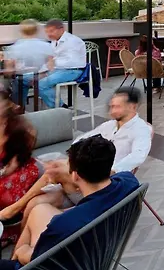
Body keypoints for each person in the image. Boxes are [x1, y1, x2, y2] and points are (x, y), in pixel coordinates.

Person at [0, 87, 151, 226]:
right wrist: (75, 159)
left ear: (132, 107)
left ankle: (15, 208)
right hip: (85, 174)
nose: (112, 111)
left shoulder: (140, 129)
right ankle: (19, 237)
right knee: (35, 203)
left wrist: (112, 170)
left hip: (105, 181)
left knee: (54, 170)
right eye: (111, 106)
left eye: (117, 107)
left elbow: (138, 155)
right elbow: (81, 139)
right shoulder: (109, 126)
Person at [2, 136, 139, 267]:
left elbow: (39, 261)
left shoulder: (63, 224)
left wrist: (22, 250)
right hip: (98, 246)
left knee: (17, 255)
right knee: (38, 210)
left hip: (67, 262)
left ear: (74, 176)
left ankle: (15, 265)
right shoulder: (129, 181)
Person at [0, 96, 41, 245]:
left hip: (19, 169)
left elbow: (16, 162)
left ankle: (10, 231)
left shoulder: (18, 126)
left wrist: (5, 171)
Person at [4, 20, 54, 108]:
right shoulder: (46, 45)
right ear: (37, 30)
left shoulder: (15, 47)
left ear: (21, 31)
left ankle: (18, 108)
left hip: (23, 78)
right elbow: (51, 65)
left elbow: (9, 70)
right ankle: (58, 105)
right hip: (41, 76)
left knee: (15, 83)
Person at [39, 19, 86, 108]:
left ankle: (61, 108)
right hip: (58, 69)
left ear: (61, 29)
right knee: (28, 79)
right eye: (47, 32)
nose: (49, 34)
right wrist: (42, 70)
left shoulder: (73, 41)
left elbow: (73, 62)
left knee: (42, 84)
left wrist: (53, 63)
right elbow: (51, 60)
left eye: (51, 31)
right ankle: (19, 109)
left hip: (73, 70)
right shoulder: (54, 41)